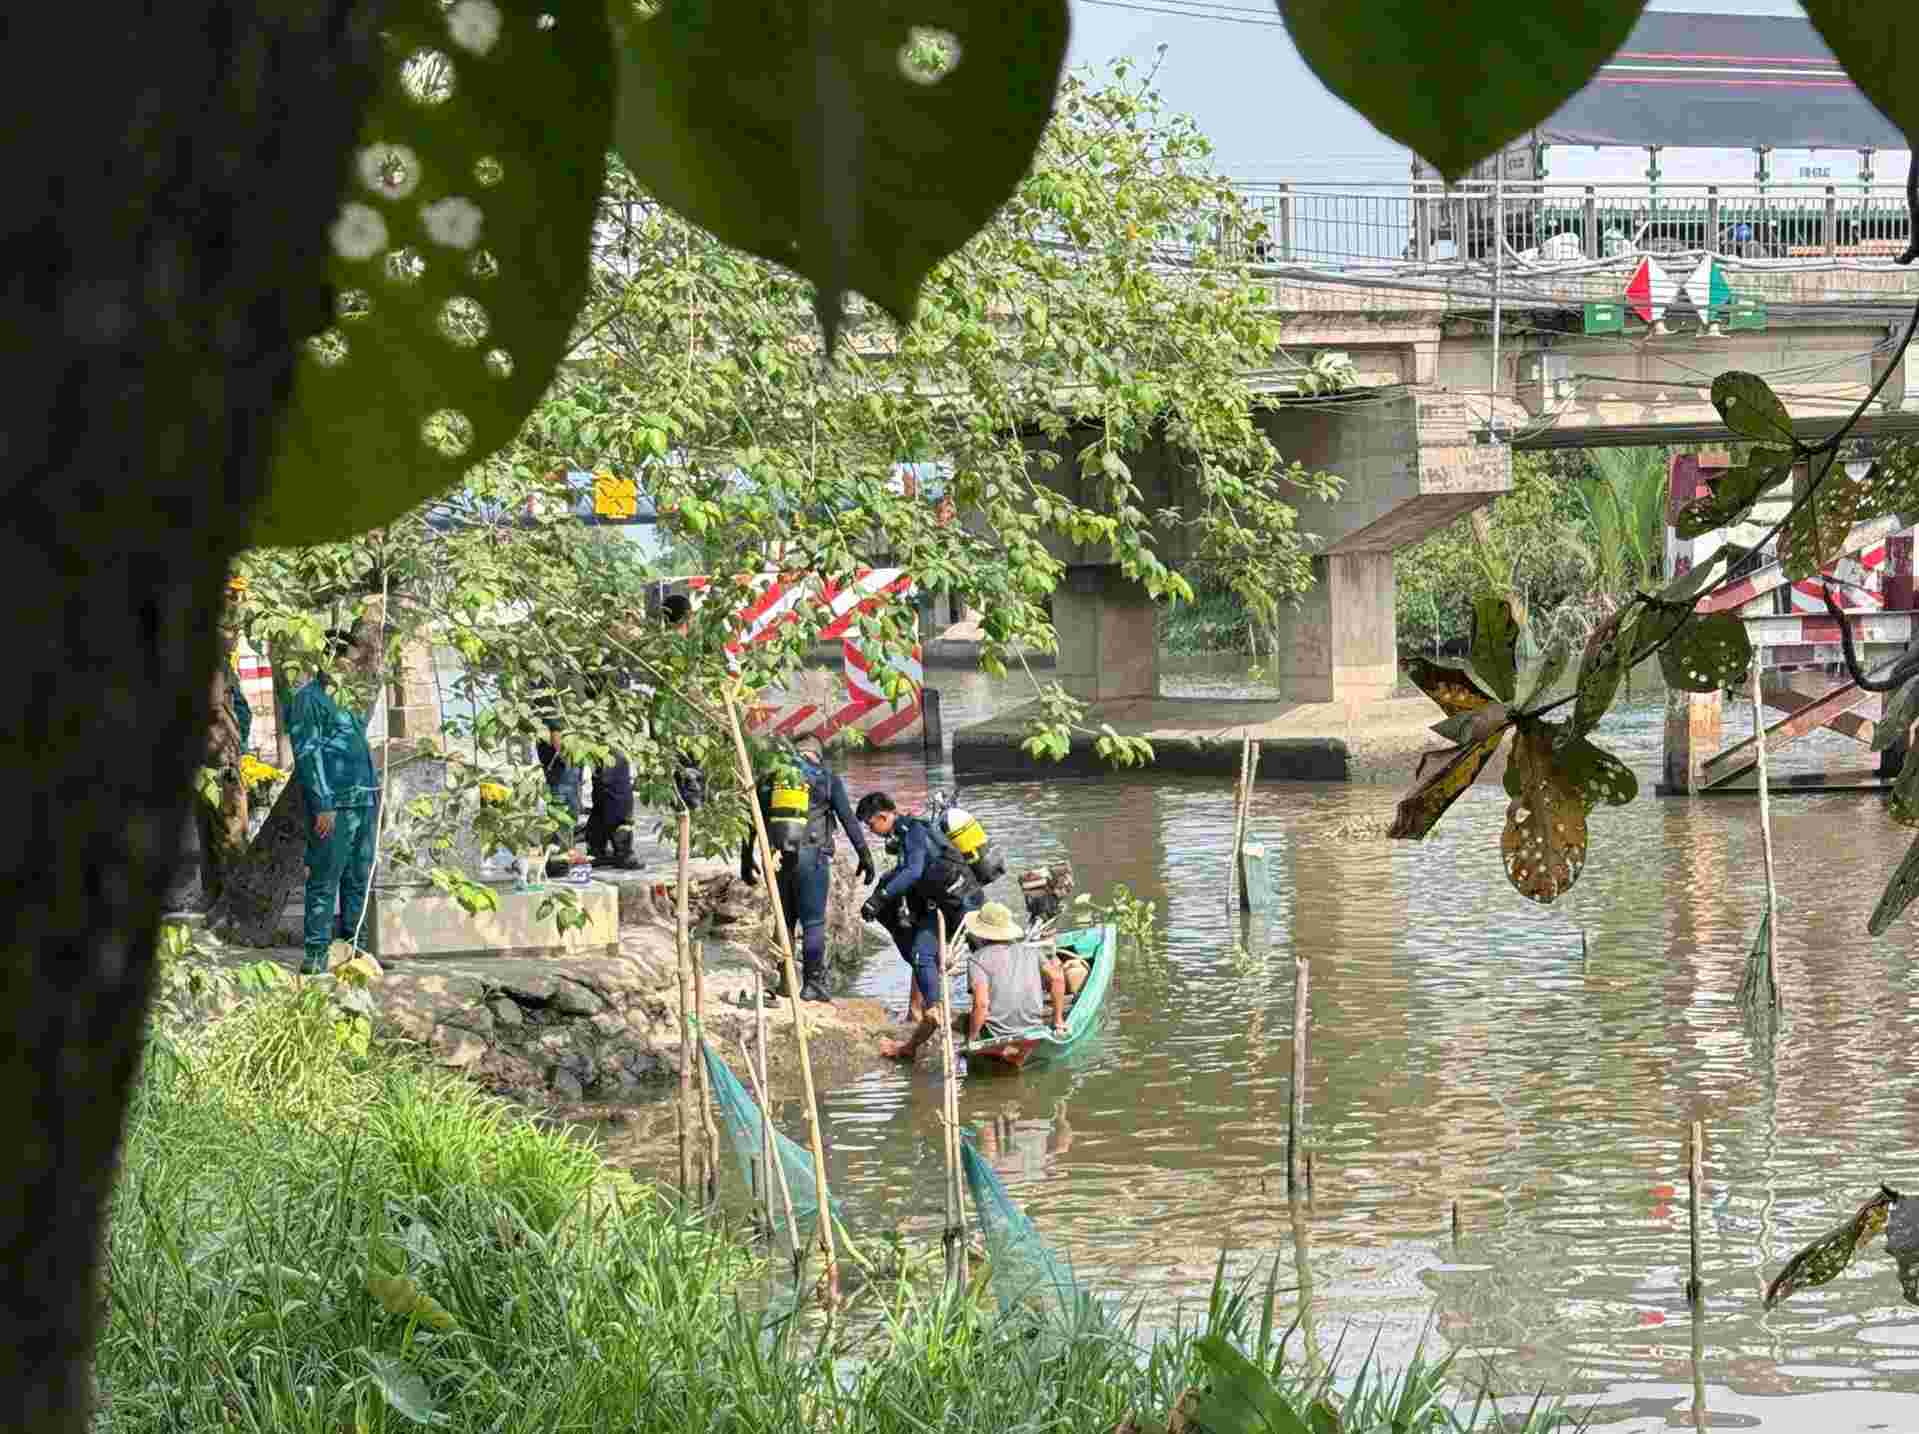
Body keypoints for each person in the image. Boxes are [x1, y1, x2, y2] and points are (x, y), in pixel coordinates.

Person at [744, 738, 875, 1003]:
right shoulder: (825, 778)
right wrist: (865, 855)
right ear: (816, 754)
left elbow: (751, 820)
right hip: (812, 858)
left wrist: (746, 858)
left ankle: (785, 982)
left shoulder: (769, 778)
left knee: (786, 920)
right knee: (813, 922)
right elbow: (848, 819)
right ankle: (813, 983)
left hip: (777, 859)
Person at [287, 629, 379, 975]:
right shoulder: (308, 699)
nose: (352, 668)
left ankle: (356, 952)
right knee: (325, 879)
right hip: (334, 806)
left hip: (364, 799)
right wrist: (322, 802)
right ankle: (316, 956)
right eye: (347, 661)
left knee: (359, 878)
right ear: (329, 659)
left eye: (354, 662)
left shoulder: (348, 698)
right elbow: (307, 754)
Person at [857, 790, 985, 1029]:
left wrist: (881, 897)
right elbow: (908, 871)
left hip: (963, 900)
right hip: (940, 904)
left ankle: (993, 1007)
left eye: (870, 823)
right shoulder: (903, 834)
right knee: (921, 954)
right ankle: (934, 1009)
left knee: (985, 956)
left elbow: (913, 871)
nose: (870, 830)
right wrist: (879, 895)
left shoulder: (913, 832)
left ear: (883, 816)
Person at [879, 900, 1065, 1061]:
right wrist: (1057, 1020)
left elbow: (981, 1004)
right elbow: (1057, 978)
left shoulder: (978, 959)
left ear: (982, 932)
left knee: (934, 1013)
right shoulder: (1031, 951)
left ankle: (907, 1048)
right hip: (1032, 1026)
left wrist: (973, 1040)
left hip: (996, 1033)